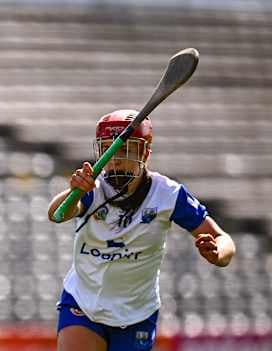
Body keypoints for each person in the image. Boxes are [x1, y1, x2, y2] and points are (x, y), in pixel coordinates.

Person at [47, 110, 236, 351]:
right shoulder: (92, 188)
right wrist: (74, 192)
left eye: (124, 150)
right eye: (108, 150)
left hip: (136, 314)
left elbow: (223, 239)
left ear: (145, 153)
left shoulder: (168, 194)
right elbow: (57, 214)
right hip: (82, 304)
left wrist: (217, 253)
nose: (114, 159)